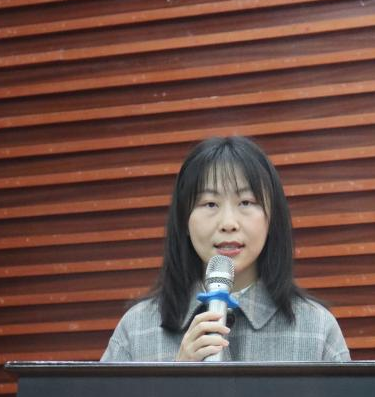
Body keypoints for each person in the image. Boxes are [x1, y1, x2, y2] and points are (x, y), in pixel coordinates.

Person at [101, 136, 350, 362]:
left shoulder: (317, 329)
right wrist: (176, 382)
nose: (228, 223)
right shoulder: (136, 329)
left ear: (271, 218)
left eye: (246, 202)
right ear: (184, 220)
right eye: (210, 204)